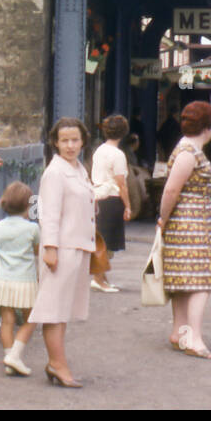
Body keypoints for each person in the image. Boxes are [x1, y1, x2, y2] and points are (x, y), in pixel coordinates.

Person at [28, 117, 97, 387]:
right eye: (64, 140)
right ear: (55, 142)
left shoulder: (78, 169)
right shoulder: (55, 172)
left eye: (75, 140)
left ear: (83, 141)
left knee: (62, 310)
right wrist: (50, 249)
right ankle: (58, 364)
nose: (70, 145)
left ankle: (56, 363)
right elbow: (48, 214)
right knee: (53, 310)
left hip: (77, 247)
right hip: (61, 249)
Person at [157, 100, 211, 359]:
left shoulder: (188, 149)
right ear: (208, 126)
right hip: (188, 223)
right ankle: (193, 337)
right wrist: (163, 218)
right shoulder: (188, 152)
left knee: (183, 280)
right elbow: (171, 189)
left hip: (191, 223)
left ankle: (179, 332)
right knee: (200, 281)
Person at [0, 181, 41, 376]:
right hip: (24, 280)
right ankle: (15, 355)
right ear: (28, 206)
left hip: (2, 279)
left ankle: (10, 360)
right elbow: (37, 251)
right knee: (31, 318)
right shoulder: (32, 229)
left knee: (7, 320)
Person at [90, 114, 132, 291]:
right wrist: (128, 206)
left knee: (101, 239)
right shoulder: (118, 155)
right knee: (107, 242)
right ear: (124, 133)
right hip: (112, 198)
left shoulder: (99, 150)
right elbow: (121, 183)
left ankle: (102, 279)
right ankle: (98, 280)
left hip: (98, 195)